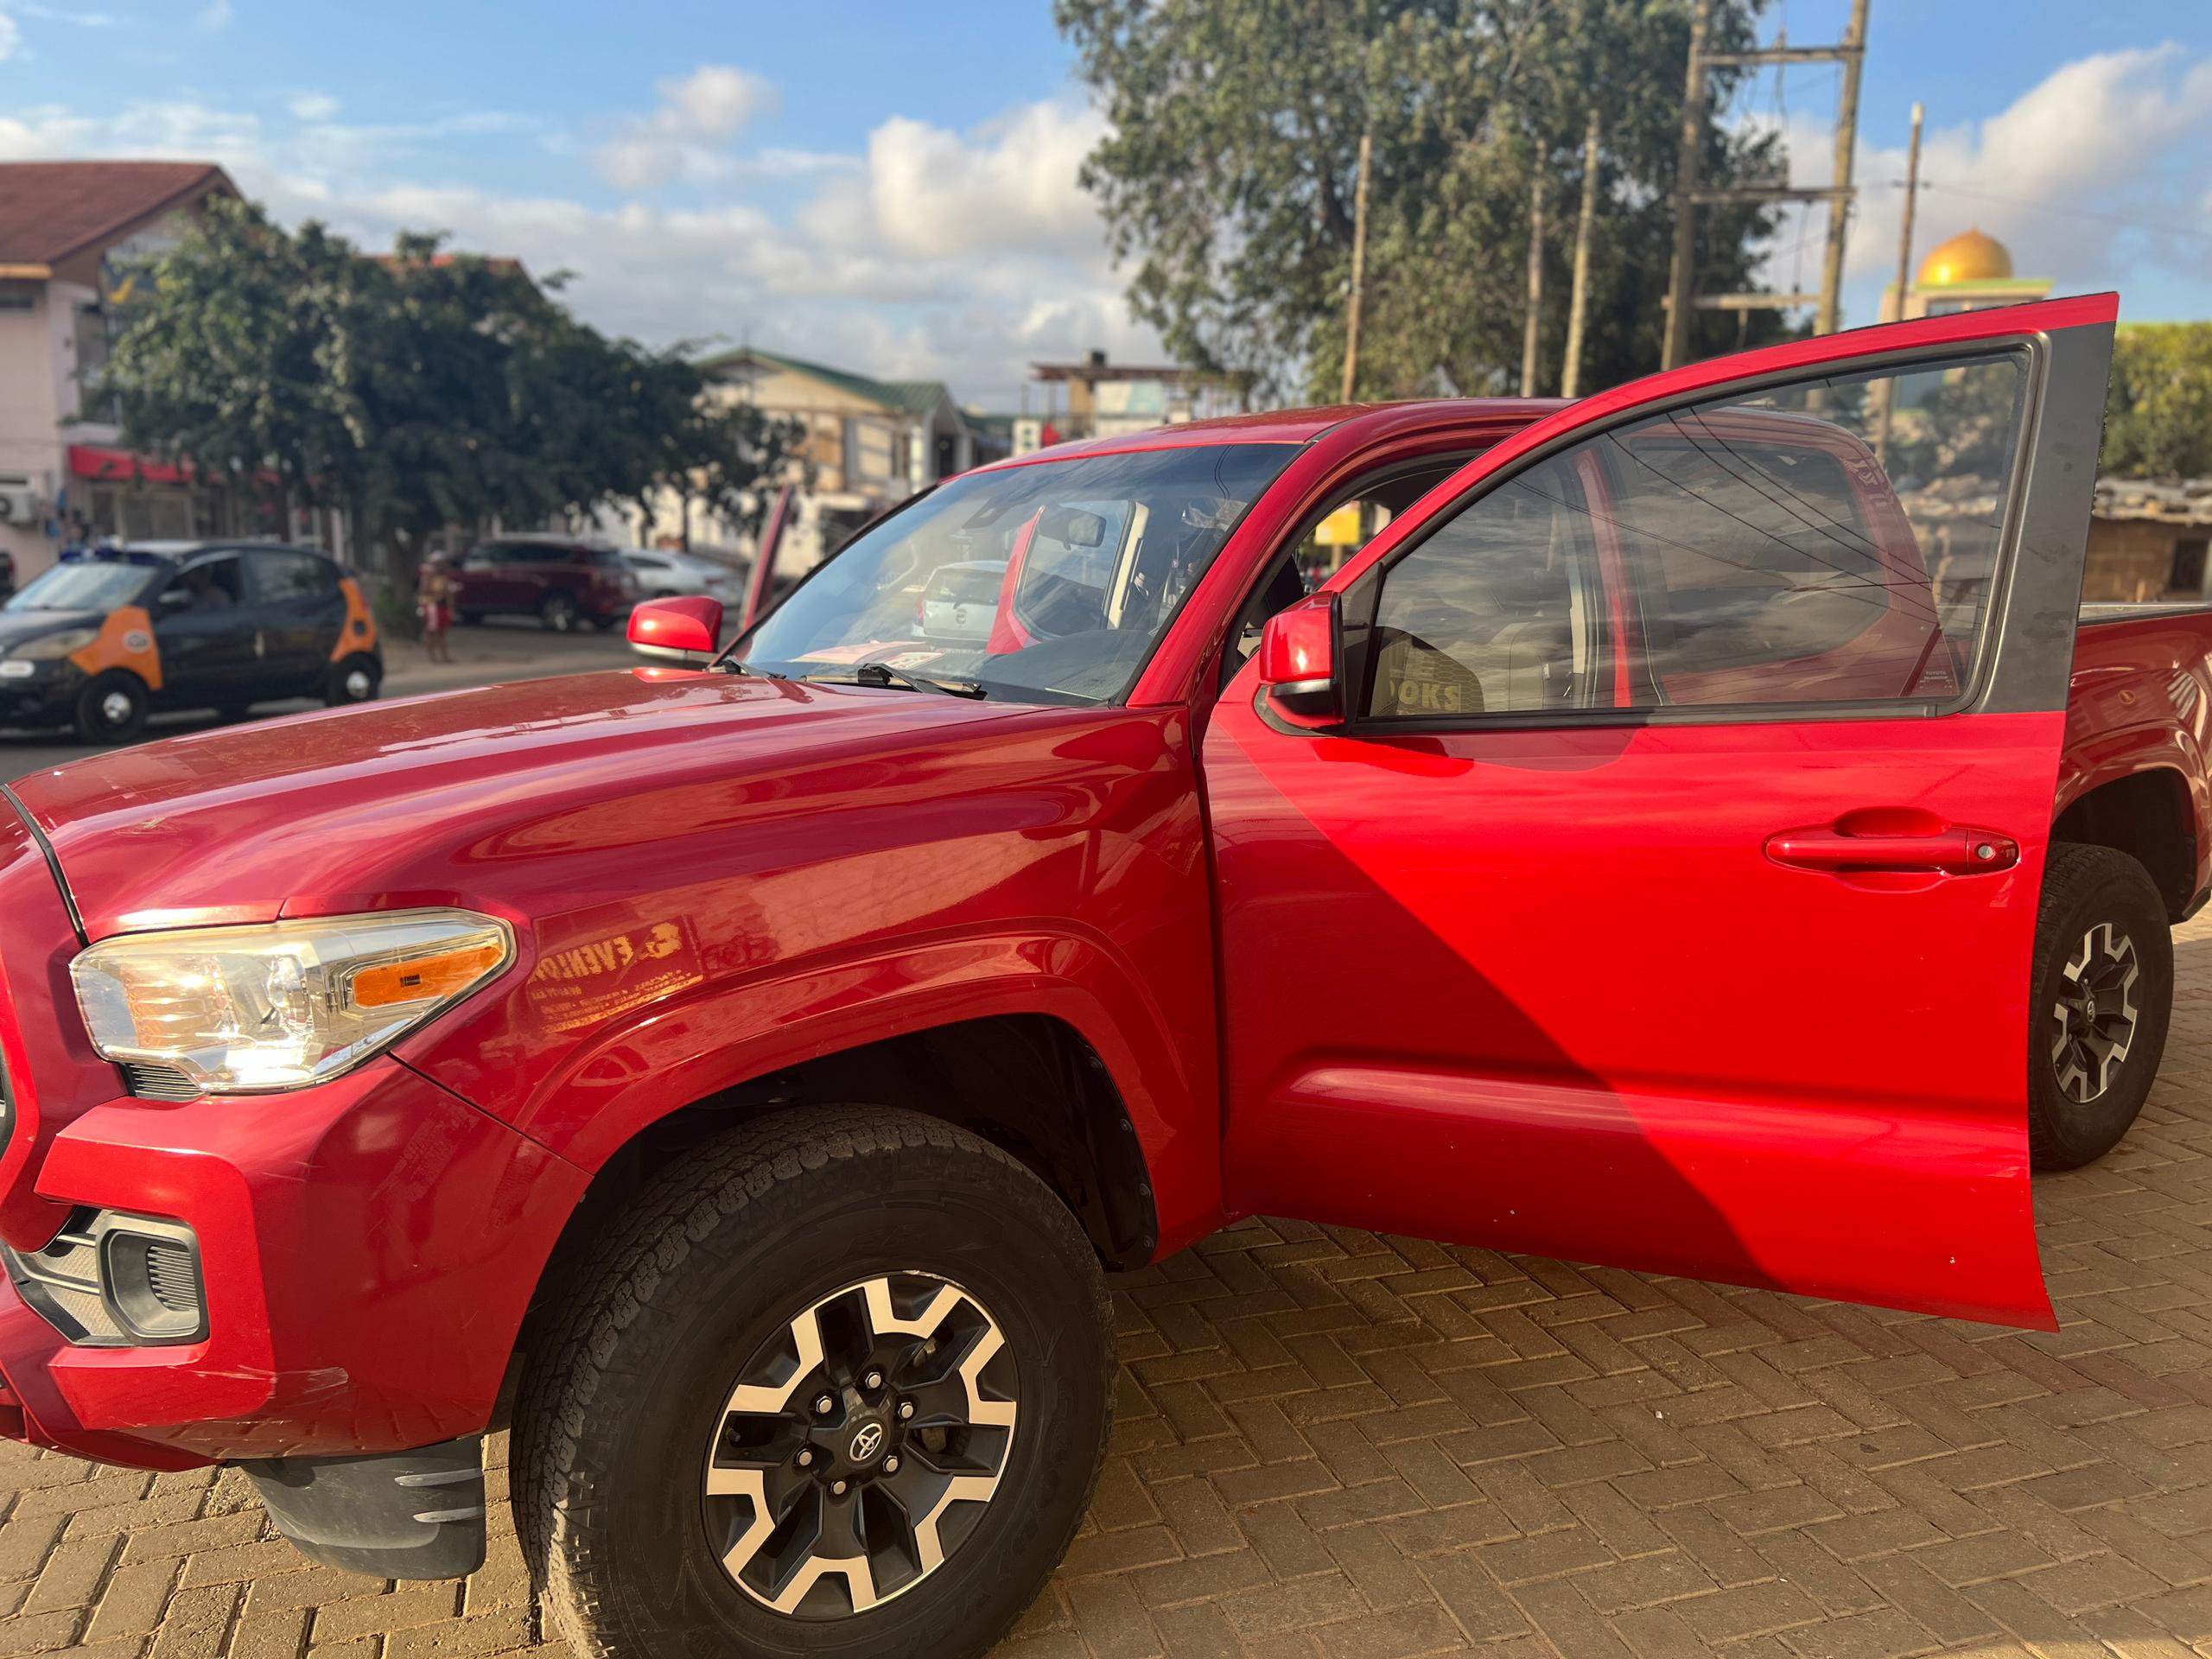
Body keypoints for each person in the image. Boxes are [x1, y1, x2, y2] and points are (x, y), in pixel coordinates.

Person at [418, 554, 455, 664]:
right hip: (432, 606)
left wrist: (451, 607)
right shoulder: (428, 576)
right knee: (431, 632)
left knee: (442, 632)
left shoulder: (444, 577)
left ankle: (445, 657)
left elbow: (448, 593)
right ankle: (433, 658)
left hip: (443, 606)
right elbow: (424, 591)